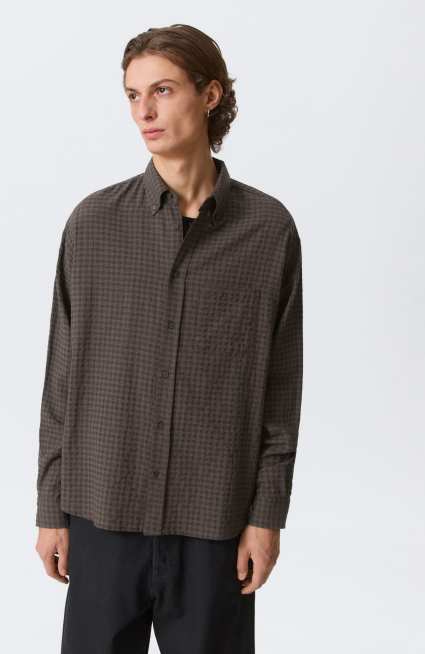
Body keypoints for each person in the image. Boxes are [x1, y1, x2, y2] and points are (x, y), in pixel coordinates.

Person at [35, 23, 303, 654]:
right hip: (102, 516)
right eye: (133, 95)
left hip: (214, 526)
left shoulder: (267, 231)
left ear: (210, 95)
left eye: (162, 90)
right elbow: (61, 380)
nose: (144, 112)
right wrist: (50, 508)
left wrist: (267, 516)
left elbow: (280, 391)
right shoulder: (93, 225)